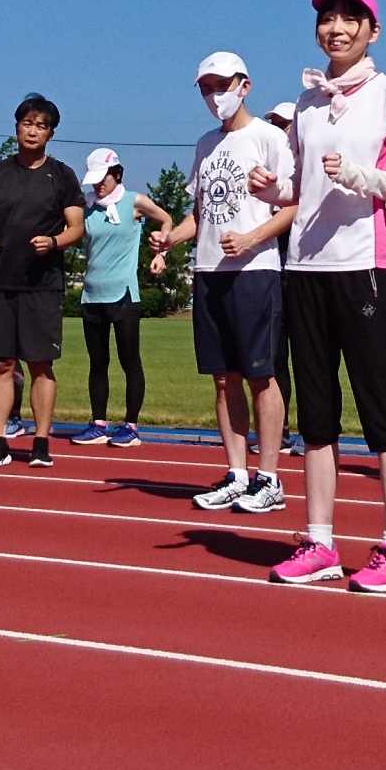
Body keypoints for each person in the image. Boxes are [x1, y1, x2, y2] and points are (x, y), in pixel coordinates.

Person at [272, 0, 386, 591]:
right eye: (327, 19)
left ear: (372, 31)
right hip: (304, 270)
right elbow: (297, 185)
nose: (336, 28)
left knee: (379, 408)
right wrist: (270, 187)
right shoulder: (306, 102)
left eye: (349, 19)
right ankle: (320, 543)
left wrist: (362, 177)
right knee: (316, 415)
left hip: (364, 267)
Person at [169, 52, 293, 516]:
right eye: (206, 88)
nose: (213, 96)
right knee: (224, 379)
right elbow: (199, 213)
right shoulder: (205, 144)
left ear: (244, 85)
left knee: (261, 375)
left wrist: (250, 239)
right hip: (209, 273)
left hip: (255, 272)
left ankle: (270, 477)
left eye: (221, 85)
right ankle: (237, 474)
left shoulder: (269, 137)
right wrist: (171, 237)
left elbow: (293, 205)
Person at [0, 94, 84, 468]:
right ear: (17, 127)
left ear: (51, 133)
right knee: (1, 365)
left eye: (41, 126)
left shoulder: (62, 175)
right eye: (27, 124)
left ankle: (41, 443)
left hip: (42, 284)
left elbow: (76, 227)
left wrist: (54, 242)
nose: (33, 131)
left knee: (40, 365)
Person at [72, 148, 169, 447]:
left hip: (124, 294)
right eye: (94, 180)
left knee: (130, 361)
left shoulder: (134, 201)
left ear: (117, 174)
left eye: (103, 178)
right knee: (97, 363)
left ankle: (131, 426)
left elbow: (166, 220)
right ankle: (98, 423)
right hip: (92, 295)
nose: (98, 184)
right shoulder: (85, 206)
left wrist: (161, 253)